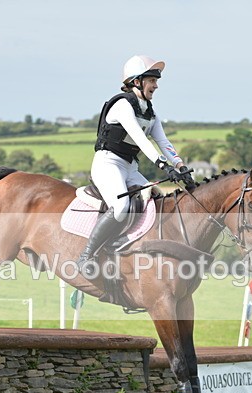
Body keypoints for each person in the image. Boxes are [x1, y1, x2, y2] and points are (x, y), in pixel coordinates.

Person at [77, 55, 192, 275]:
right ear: (137, 81)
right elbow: (140, 138)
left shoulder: (150, 111)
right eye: (152, 80)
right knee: (121, 207)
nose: (156, 85)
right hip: (107, 163)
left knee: (155, 201)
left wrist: (179, 165)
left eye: (156, 81)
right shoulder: (122, 105)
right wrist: (162, 164)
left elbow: (163, 141)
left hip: (130, 167)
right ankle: (86, 256)